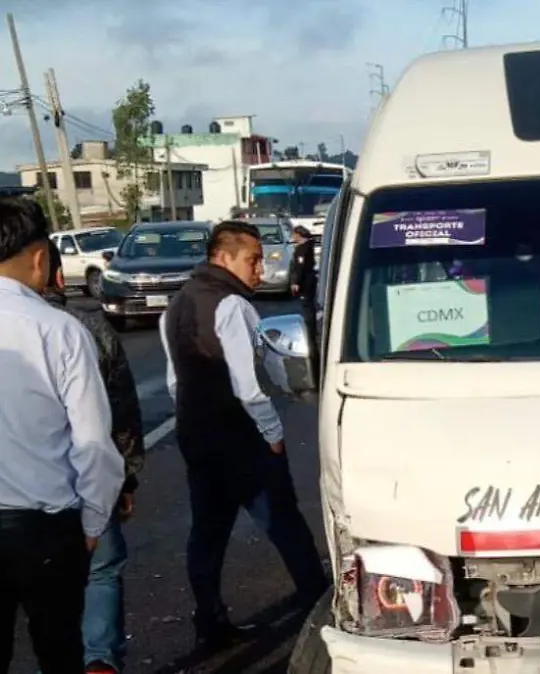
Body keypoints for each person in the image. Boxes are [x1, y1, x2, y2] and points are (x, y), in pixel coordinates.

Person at [159, 220, 328, 652]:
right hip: (241, 438)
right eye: (253, 259)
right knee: (286, 525)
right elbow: (250, 383)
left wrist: (190, 422)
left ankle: (211, 621)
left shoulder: (177, 305)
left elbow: (176, 382)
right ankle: (320, 612)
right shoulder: (231, 306)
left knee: (208, 533)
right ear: (223, 257)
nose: (260, 268)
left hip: (198, 435)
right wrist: (272, 432)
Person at [0, 196, 125, 674]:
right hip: (45, 528)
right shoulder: (60, 330)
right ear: (39, 259)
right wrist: (93, 525)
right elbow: (94, 442)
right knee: (58, 651)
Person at [43, 245, 144, 674]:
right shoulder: (84, 327)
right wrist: (125, 478)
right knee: (100, 573)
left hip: (18, 497)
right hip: (87, 481)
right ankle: (99, 660)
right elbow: (119, 410)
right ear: (57, 276)